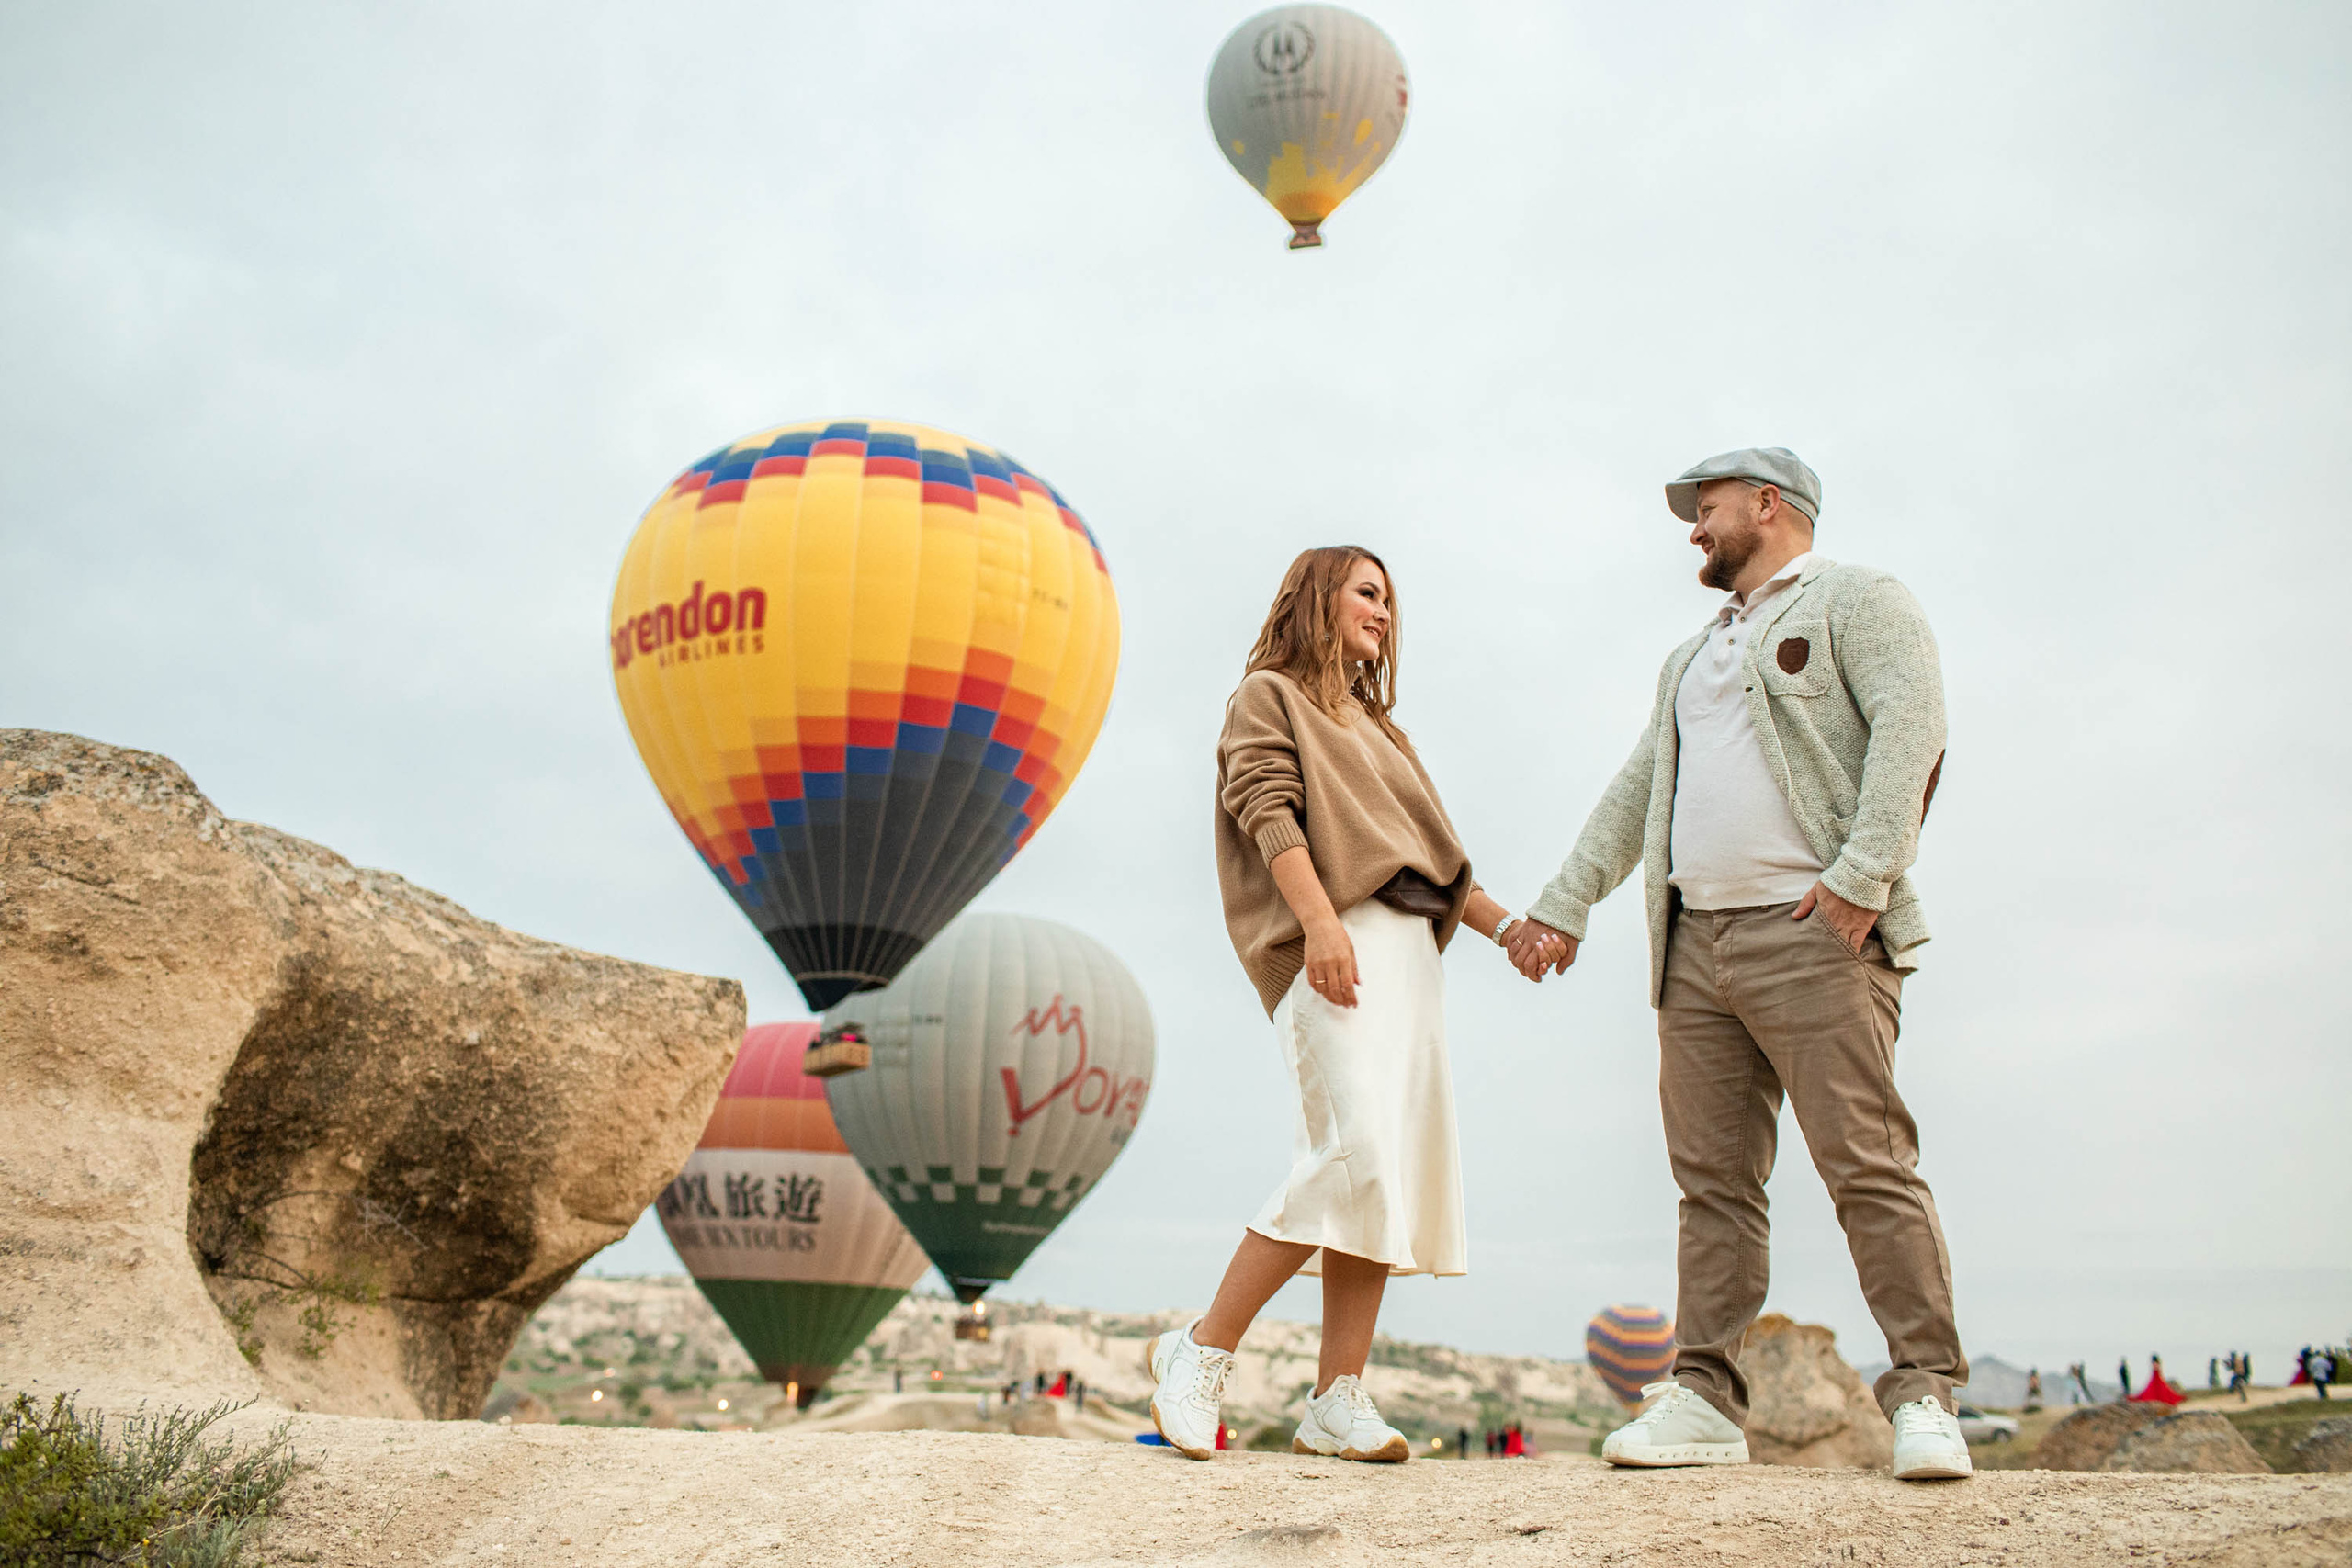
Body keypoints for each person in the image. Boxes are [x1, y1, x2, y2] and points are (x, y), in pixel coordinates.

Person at [1503, 449, 1970, 1483]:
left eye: (1705, 508)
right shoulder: (1688, 657)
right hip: (1693, 949)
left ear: (1769, 505)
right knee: (1711, 1187)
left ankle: (1926, 1396)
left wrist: (1862, 878)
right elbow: (1638, 788)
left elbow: (1914, 729)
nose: (1692, 529)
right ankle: (1706, 1401)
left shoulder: (1860, 600)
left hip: (1817, 935)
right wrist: (1562, 905)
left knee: (1866, 1164)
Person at [1143, 546, 1559, 1465]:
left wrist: (1510, 931)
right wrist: (1319, 922)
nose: (1384, 611)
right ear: (1318, 598)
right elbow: (1266, 808)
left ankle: (1336, 1398)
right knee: (1351, 1152)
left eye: (1390, 599)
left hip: (1410, 955)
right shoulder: (1267, 696)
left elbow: (1434, 866)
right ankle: (1200, 1350)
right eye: (1367, 593)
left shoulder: (1379, 729)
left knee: (1384, 1177)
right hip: (1333, 943)